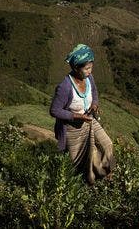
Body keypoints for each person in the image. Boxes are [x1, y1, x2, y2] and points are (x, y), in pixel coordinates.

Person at [49, 44, 114, 184]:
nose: (90, 71)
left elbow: (94, 93)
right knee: (78, 163)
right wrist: (77, 116)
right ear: (76, 68)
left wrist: (95, 104)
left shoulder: (89, 79)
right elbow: (54, 110)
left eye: (91, 67)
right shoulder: (65, 87)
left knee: (107, 144)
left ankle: (105, 174)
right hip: (72, 128)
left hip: (89, 120)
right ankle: (84, 185)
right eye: (87, 68)